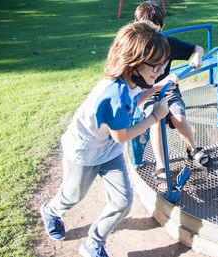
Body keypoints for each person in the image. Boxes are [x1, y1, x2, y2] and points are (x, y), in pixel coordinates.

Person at [39, 21, 178, 257]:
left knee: (123, 201)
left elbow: (134, 100)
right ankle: (51, 210)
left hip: (109, 150)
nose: (160, 69)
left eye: (163, 63)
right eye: (155, 65)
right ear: (133, 62)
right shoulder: (114, 93)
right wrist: (156, 116)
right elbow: (122, 135)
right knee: (73, 196)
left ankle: (93, 244)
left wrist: (157, 86)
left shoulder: (133, 80)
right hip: (84, 152)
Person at [134, 3, 210, 191]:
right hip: (146, 91)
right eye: (146, 30)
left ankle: (192, 149)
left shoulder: (167, 43)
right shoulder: (135, 48)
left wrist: (197, 56)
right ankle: (161, 166)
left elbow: (197, 48)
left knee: (179, 118)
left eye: (155, 29)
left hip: (167, 88)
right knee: (155, 121)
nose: (151, 35)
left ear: (162, 28)